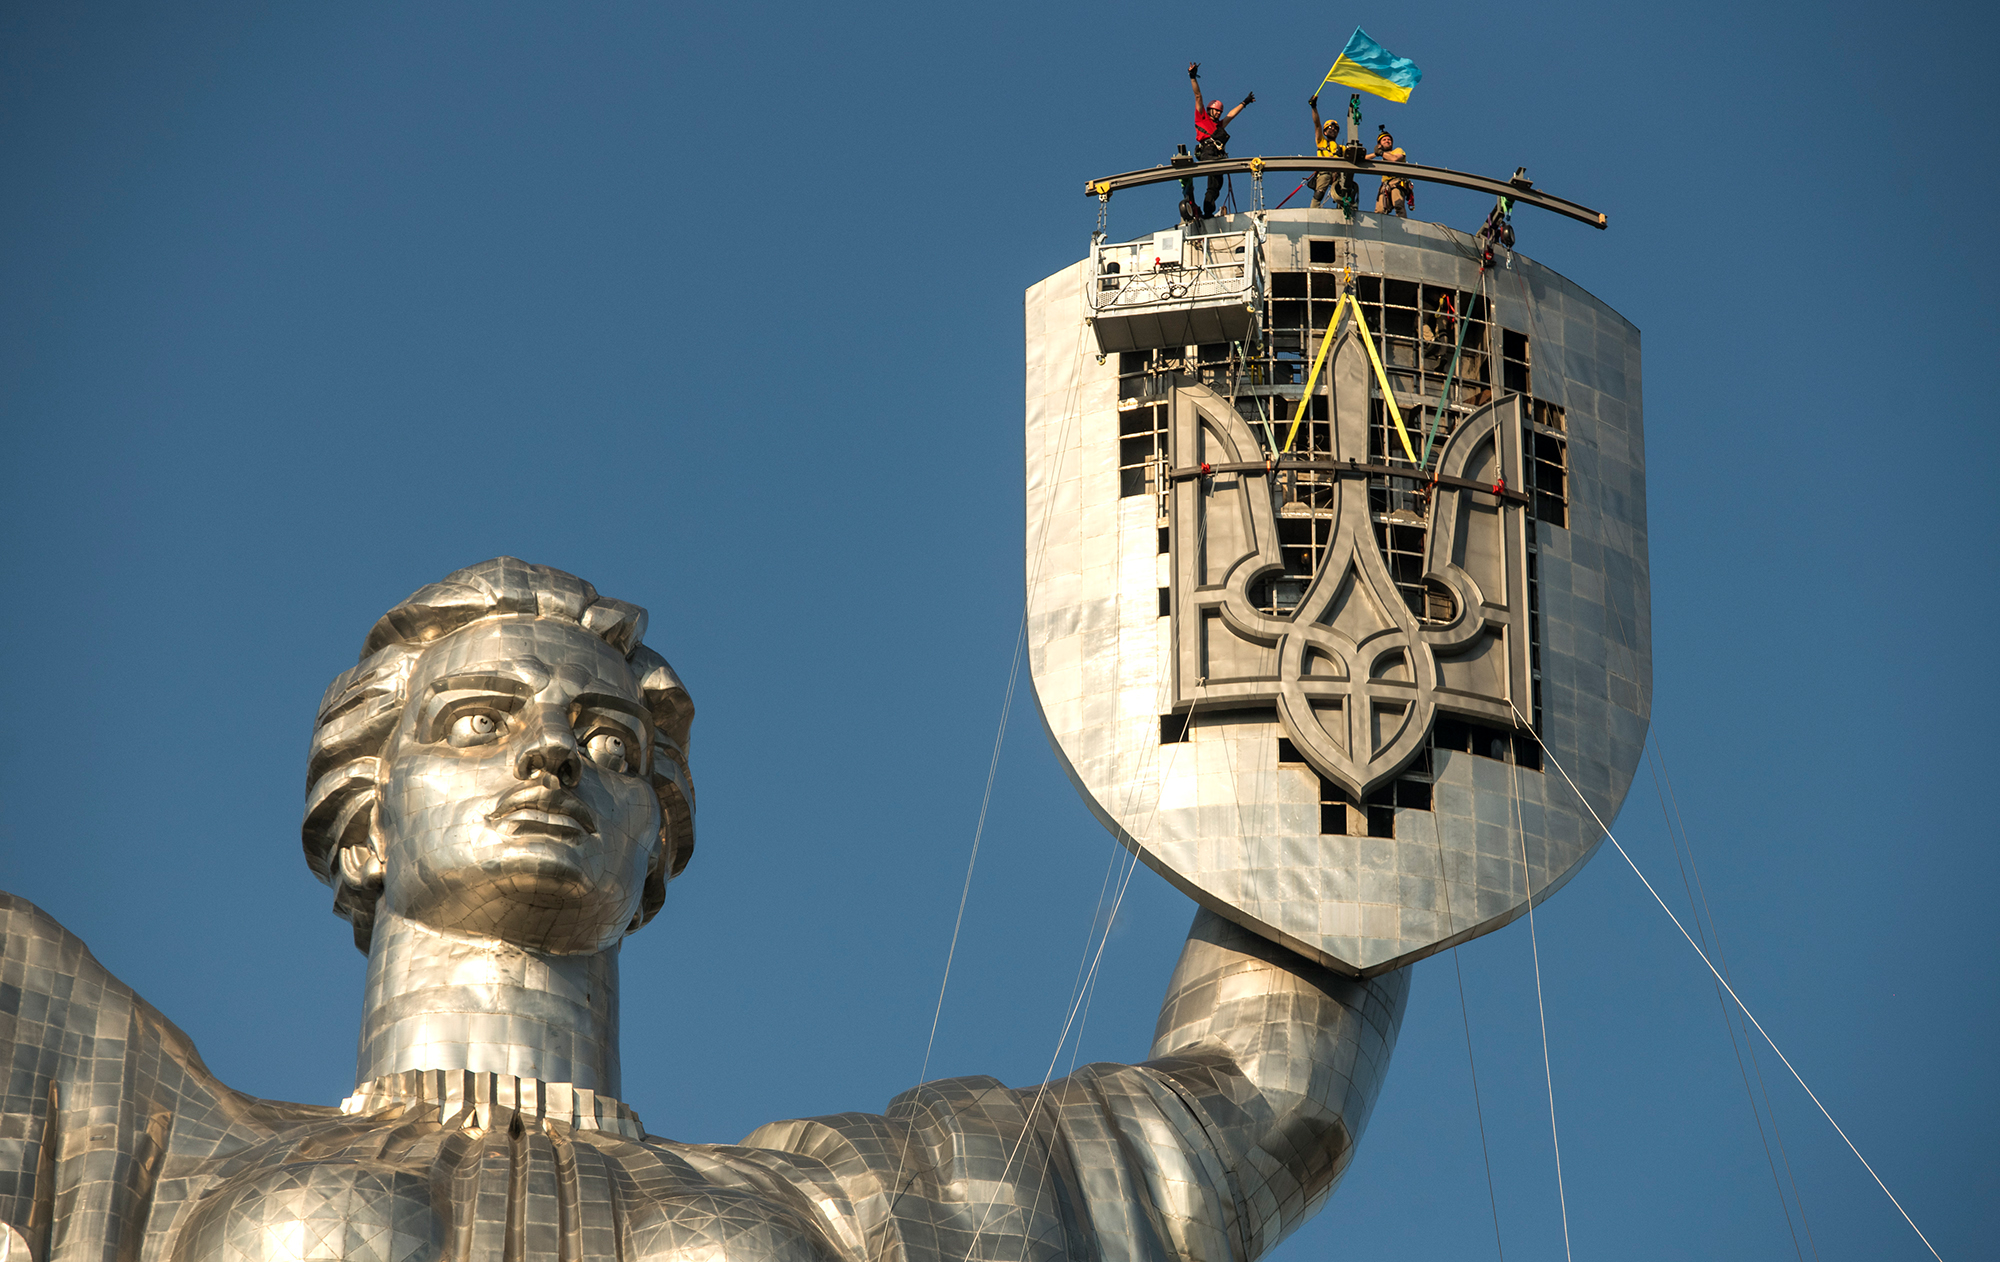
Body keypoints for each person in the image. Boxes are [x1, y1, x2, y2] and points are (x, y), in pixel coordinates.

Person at [0, 557, 1408, 1262]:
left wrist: (1373, 717)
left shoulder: (850, 1208)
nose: (551, 756)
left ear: (659, 836)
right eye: (480, 721)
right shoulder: (130, 1144)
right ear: (364, 813)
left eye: (612, 742)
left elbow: (1252, 1107)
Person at [1182, 61, 1253, 221]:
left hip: (1217, 155)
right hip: (1208, 152)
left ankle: (1207, 211)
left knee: (1215, 186)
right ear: (1209, 110)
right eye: (1216, 111)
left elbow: (1231, 115)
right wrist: (1193, 78)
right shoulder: (1202, 117)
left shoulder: (1218, 125)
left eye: (1220, 112)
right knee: (1214, 172)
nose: (1219, 114)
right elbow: (1198, 96)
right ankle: (1203, 207)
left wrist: (1244, 103)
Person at [1307, 94, 1358, 212]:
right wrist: (1314, 108)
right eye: (1329, 128)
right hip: (1325, 171)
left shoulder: (1341, 148)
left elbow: (1358, 157)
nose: (1333, 130)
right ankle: (1313, 211)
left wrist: (1376, 154)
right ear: (1325, 131)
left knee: (1345, 190)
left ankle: (1344, 211)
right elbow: (1317, 124)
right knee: (1319, 192)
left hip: (1337, 174)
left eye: (1335, 129)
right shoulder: (1322, 142)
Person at [1373, 127, 1414, 216]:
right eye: (1384, 140)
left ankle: (1403, 225)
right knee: (1379, 211)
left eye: (1389, 139)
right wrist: (1375, 153)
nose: (1387, 141)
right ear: (1380, 144)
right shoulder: (1383, 159)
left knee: (1398, 205)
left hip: (1396, 182)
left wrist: (1380, 153)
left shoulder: (1397, 151)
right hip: (1385, 186)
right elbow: (1365, 160)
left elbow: (1394, 159)